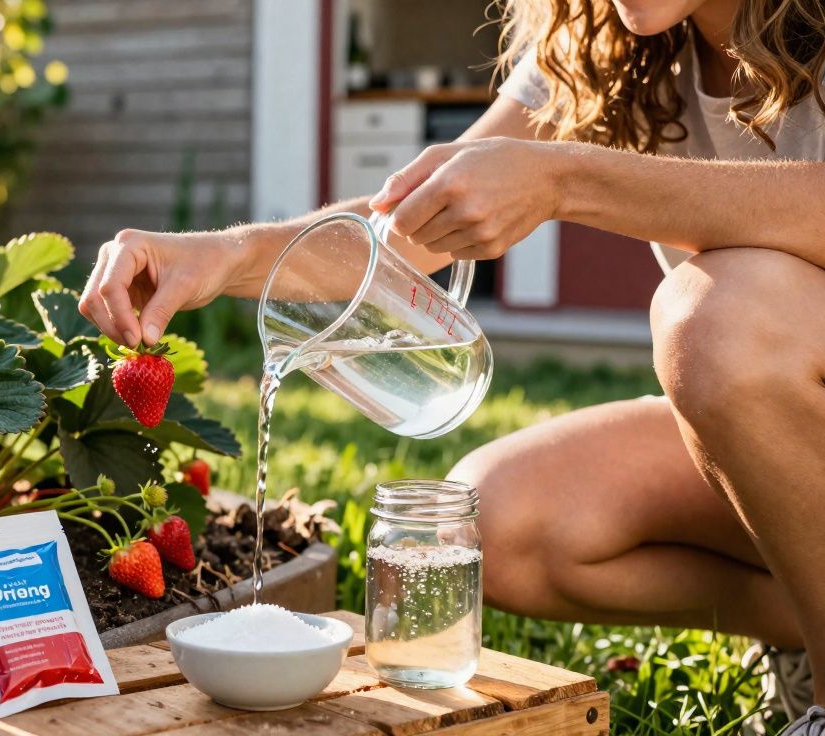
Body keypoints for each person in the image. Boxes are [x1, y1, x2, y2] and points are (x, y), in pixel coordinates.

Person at [78, 0, 825, 731]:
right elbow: (403, 235)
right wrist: (221, 255)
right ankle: (808, 620)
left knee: (717, 319)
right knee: (496, 519)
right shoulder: (603, 46)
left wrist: (565, 178)